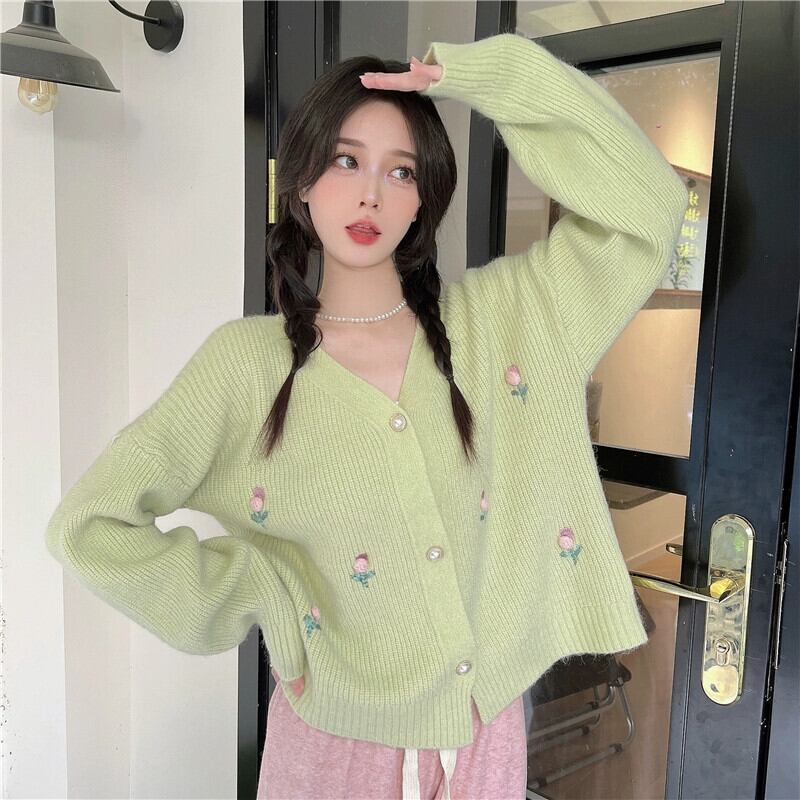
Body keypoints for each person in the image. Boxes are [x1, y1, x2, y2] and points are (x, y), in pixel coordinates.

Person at [45, 32, 688, 800]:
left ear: (423, 198)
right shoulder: (246, 368)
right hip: (331, 751)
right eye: (346, 161)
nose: (371, 194)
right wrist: (260, 590)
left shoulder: (511, 320)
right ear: (301, 181)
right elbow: (89, 526)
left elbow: (649, 210)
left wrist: (488, 77)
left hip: (483, 743)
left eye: (401, 170)